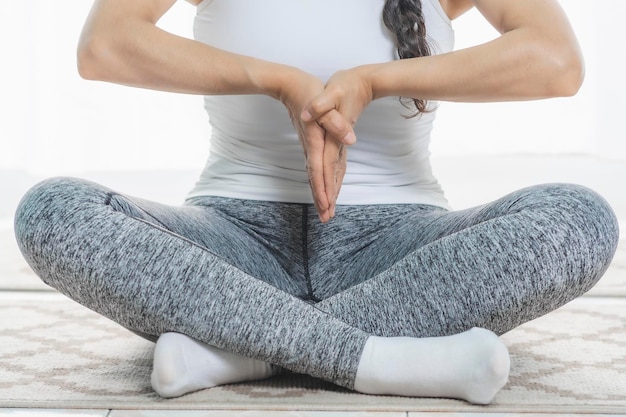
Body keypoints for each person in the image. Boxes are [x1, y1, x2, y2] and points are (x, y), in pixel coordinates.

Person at [14, 0, 618, 405]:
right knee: (52, 210)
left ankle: (239, 353)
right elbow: (104, 46)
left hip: (397, 249)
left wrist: (374, 82)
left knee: (577, 218)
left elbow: (556, 61)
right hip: (233, 242)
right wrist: (274, 80)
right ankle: (380, 359)